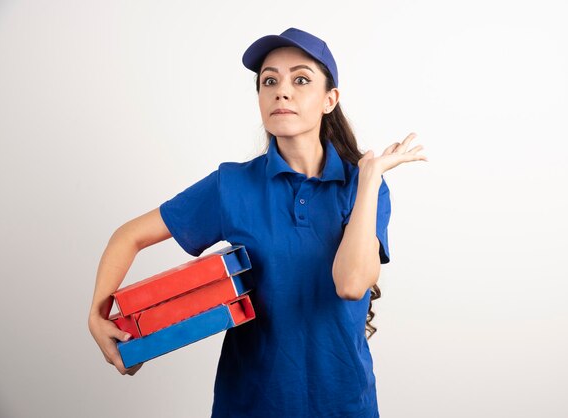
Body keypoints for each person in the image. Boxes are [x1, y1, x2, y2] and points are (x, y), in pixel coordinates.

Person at [88, 27, 427, 417]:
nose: (282, 91)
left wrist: (369, 178)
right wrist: (98, 317)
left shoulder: (364, 189)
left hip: (344, 403)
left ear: (329, 100)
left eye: (301, 79)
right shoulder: (231, 185)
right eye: (269, 81)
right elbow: (128, 236)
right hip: (249, 404)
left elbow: (351, 284)